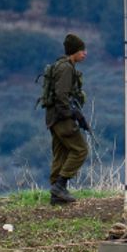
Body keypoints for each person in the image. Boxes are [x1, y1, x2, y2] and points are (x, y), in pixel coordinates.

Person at [45, 33, 90, 205]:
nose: (85, 53)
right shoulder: (66, 68)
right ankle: (60, 186)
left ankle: (56, 194)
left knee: (61, 153)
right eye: (82, 50)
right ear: (74, 52)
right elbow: (62, 95)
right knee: (80, 150)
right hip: (62, 117)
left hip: (54, 117)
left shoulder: (61, 65)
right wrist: (73, 114)